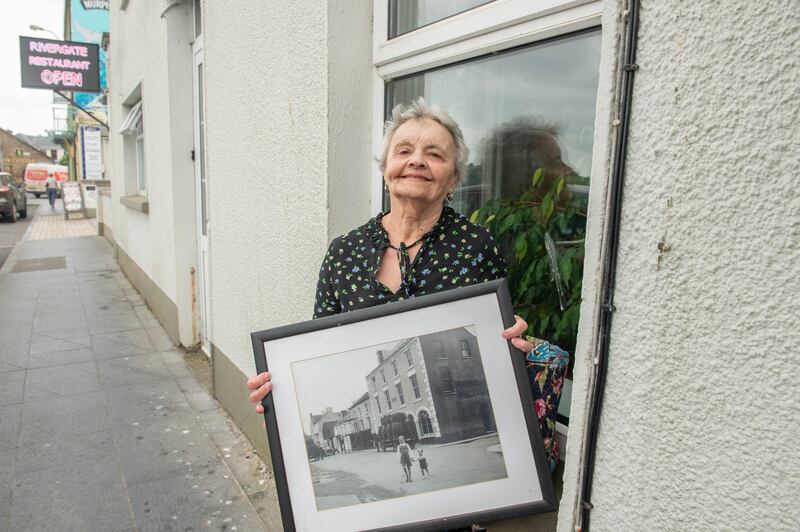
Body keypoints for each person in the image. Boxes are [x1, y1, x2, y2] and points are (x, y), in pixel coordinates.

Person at [247, 97, 565, 471]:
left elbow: (491, 341)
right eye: (404, 150)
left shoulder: (476, 246)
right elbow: (319, 349)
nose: (417, 160)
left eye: (434, 154)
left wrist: (513, 339)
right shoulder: (343, 252)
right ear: (386, 169)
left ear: (454, 178)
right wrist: (280, 390)